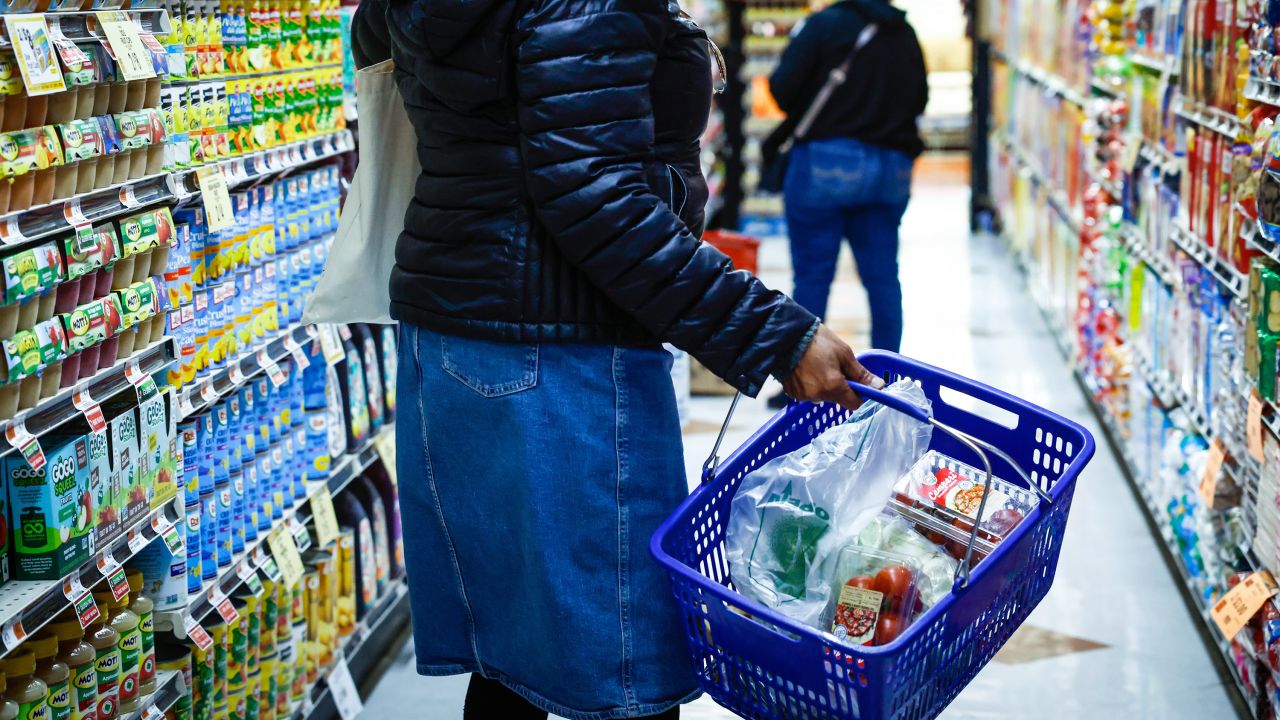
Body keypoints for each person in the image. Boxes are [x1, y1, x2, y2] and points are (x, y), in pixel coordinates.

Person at [350, 0, 882, 718]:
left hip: (451, 337)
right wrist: (776, 335)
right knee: (630, 672)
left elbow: (380, 34)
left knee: (512, 661)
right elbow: (597, 197)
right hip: (565, 351)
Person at [765, 0, 928, 408]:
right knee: (883, 277)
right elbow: (919, 98)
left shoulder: (823, 25)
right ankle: (891, 381)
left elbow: (783, 89)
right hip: (889, 167)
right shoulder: (903, 32)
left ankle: (801, 379)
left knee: (814, 276)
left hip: (825, 165)